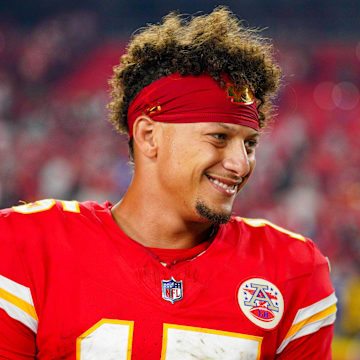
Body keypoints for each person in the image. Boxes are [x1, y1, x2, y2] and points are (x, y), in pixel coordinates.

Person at [0, 7, 336, 359]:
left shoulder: (292, 269)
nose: (241, 163)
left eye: (249, 144)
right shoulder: (29, 246)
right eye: (219, 137)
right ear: (148, 136)